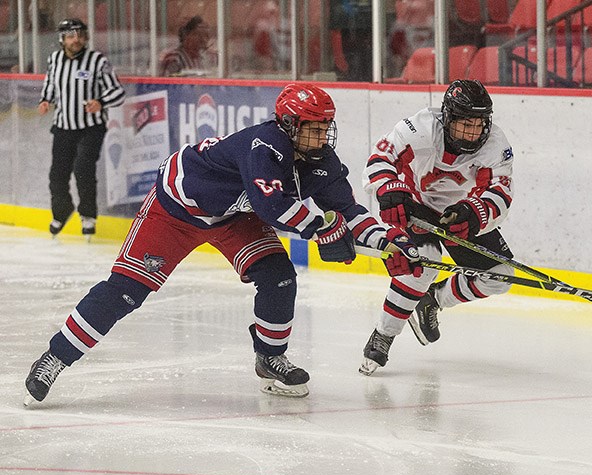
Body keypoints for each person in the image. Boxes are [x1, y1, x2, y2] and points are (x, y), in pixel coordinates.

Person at [23, 83, 422, 405]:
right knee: (126, 291)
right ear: (287, 123)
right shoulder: (265, 145)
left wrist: (387, 240)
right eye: (313, 127)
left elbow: (347, 209)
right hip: (176, 210)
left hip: (233, 216)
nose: (322, 135)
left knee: (279, 276)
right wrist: (322, 227)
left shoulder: (322, 160)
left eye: (325, 126)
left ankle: (270, 358)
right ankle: (55, 358)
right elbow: (272, 207)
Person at [359, 79, 515, 376]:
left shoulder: (496, 144)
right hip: (416, 207)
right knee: (422, 267)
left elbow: (500, 193)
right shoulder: (420, 128)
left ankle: (434, 300)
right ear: (448, 118)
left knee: (500, 277)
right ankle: (384, 334)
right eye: (464, 124)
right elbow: (380, 159)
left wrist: (474, 213)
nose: (473, 132)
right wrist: (389, 188)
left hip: (458, 213)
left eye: (479, 124)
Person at [39, 18, 125, 237]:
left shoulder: (97, 61)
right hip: (62, 125)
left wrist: (100, 102)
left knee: (83, 169)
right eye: (70, 36)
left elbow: (117, 91)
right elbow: (50, 83)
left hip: (90, 128)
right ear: (62, 39)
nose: (76, 40)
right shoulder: (55, 59)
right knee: (57, 175)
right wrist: (45, 100)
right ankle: (62, 211)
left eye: (80, 35)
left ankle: (88, 216)